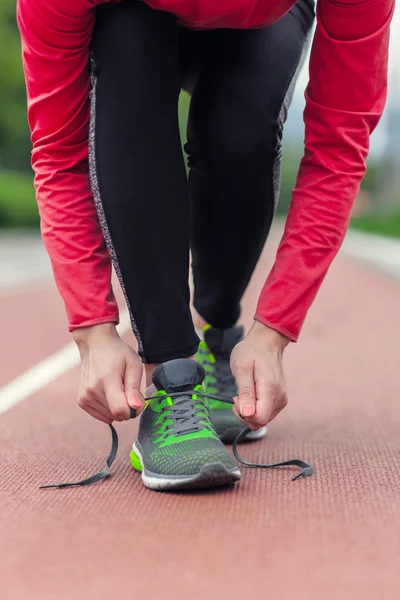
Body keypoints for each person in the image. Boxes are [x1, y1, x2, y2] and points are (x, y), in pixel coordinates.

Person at [18, 0, 393, 490]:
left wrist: (274, 328)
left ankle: (219, 328)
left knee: (241, 132)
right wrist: (92, 329)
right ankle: (171, 373)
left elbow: (339, 150)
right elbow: (58, 152)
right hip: (131, 20)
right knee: (129, 46)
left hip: (263, 23)